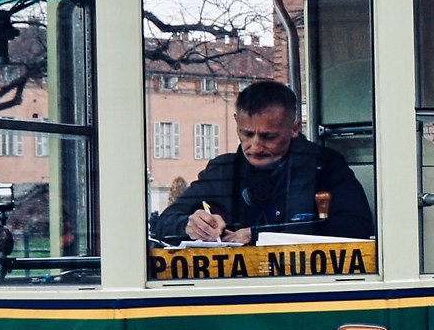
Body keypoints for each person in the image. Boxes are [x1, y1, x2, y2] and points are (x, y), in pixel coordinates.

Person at [152, 80, 373, 244]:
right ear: (236, 123)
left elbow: (357, 227)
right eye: (246, 134)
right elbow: (163, 223)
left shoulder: (324, 166)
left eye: (269, 136)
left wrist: (261, 235)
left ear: (294, 128)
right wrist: (189, 225)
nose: (255, 147)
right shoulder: (223, 171)